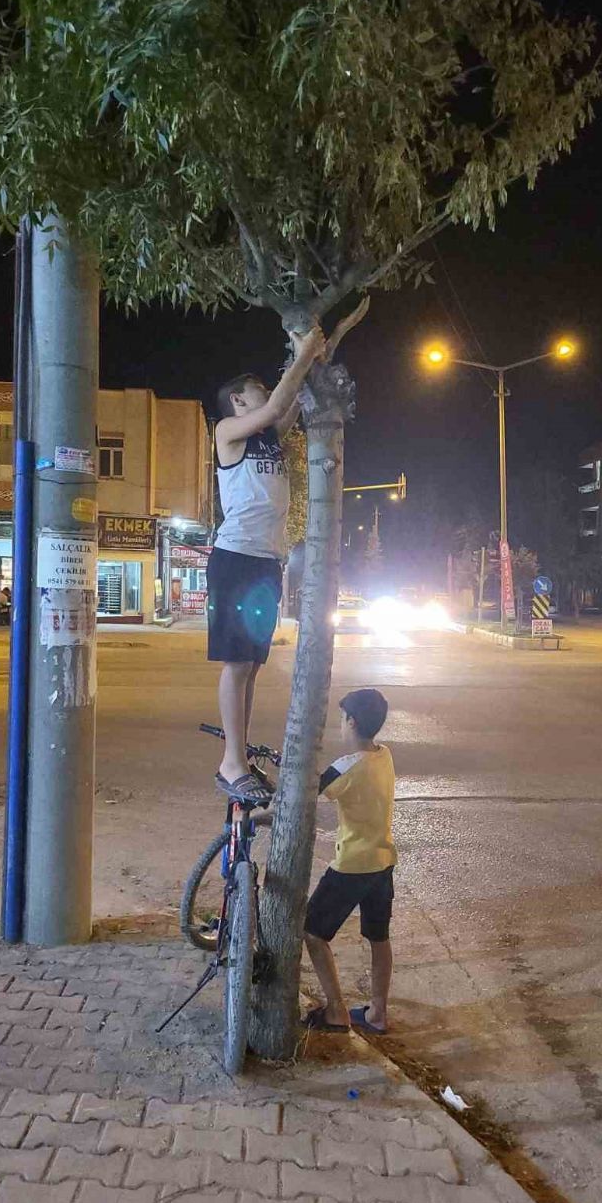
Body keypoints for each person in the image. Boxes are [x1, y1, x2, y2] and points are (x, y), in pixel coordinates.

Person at [208, 325, 325, 804]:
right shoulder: (228, 433)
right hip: (235, 557)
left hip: (266, 562)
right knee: (237, 664)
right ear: (238, 400)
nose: (267, 393)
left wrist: (313, 361)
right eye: (258, 388)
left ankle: (240, 756)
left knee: (253, 664)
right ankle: (231, 762)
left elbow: (288, 402)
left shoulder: (269, 439)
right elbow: (278, 405)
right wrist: (303, 351)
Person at [302, 689, 396, 1035]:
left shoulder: (345, 768)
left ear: (351, 722)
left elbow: (305, 796)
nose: (339, 727)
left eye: (341, 719)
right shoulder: (384, 755)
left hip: (352, 865)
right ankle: (378, 1013)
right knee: (378, 936)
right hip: (383, 860)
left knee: (312, 931)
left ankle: (337, 1011)